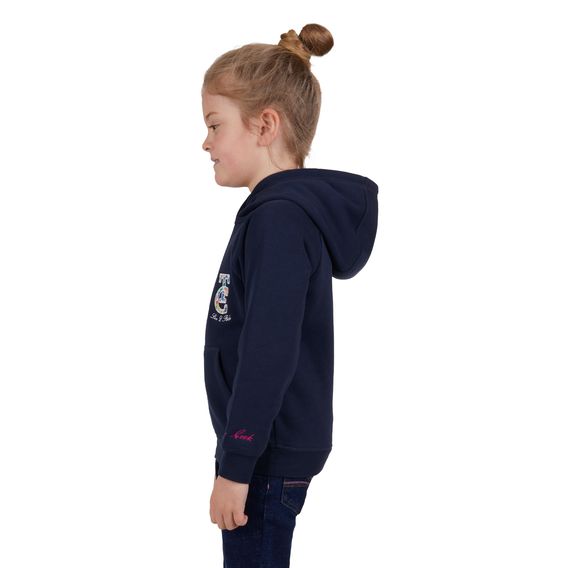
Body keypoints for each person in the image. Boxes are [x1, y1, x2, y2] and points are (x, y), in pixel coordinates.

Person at [201, 23, 379, 567]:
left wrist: (236, 464)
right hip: (265, 449)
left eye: (214, 124)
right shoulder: (280, 215)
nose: (205, 143)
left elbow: (268, 349)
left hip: (263, 456)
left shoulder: (278, 220)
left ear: (265, 125)